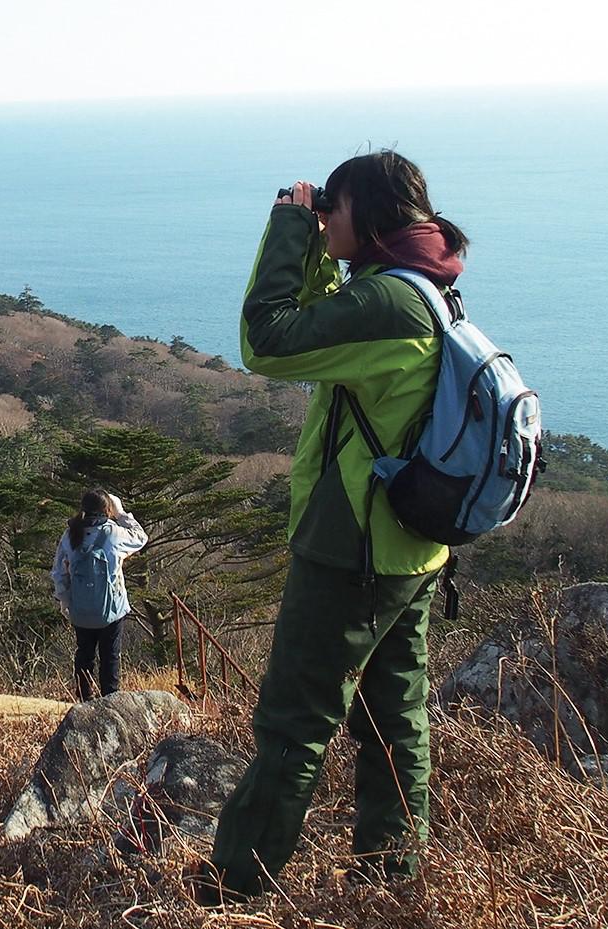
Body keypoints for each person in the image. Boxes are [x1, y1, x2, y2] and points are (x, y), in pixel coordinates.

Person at [200, 151, 464, 901]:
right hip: (410, 550)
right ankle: (391, 878)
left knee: (294, 720)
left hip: (351, 552)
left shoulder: (387, 305)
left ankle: (234, 884)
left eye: (333, 209)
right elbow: (323, 331)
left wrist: (287, 228)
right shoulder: (425, 286)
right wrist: (320, 245)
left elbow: (268, 340)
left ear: (370, 214)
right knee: (393, 719)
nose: (325, 219)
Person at [50, 489, 147, 701]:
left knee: (84, 655)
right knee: (110, 657)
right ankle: (110, 701)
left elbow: (58, 572)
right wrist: (121, 513)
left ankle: (84, 700)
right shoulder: (114, 533)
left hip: (80, 610)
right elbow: (141, 537)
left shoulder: (70, 535)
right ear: (107, 509)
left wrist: (65, 601)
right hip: (111, 610)